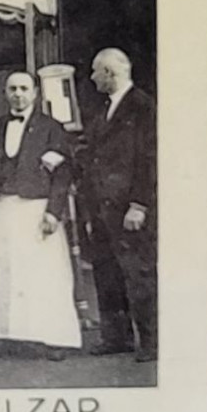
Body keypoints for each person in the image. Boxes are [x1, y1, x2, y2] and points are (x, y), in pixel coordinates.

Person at [0, 72, 80, 358]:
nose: (18, 94)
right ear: (5, 93)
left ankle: (54, 338)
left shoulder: (51, 128)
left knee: (45, 273)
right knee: (5, 271)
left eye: (24, 88)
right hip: (4, 205)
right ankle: (5, 334)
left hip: (37, 206)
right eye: (12, 89)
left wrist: (53, 212)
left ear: (35, 93)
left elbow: (62, 174)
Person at [81, 48, 158, 361]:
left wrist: (140, 204)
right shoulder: (104, 110)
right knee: (107, 273)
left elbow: (149, 160)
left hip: (128, 208)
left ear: (109, 73)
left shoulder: (143, 107)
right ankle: (117, 337)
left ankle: (152, 342)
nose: (91, 77)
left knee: (139, 274)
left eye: (95, 71)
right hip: (102, 209)